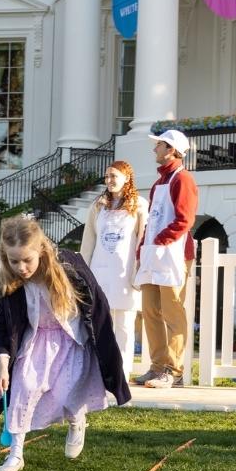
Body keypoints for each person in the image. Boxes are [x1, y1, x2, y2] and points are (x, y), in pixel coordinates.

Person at [0, 217, 131, 471]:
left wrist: (100, 345)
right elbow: (3, 327)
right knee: (23, 390)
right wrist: (4, 365)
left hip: (70, 341)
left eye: (27, 260)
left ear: (40, 250)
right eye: (14, 261)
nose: (21, 267)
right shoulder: (12, 283)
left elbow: (98, 306)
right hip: (35, 342)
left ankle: (76, 420)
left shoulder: (69, 267)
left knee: (66, 395)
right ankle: (15, 454)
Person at [134, 129, 198, 389]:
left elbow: (185, 220)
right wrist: (143, 247)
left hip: (174, 254)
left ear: (171, 149)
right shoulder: (159, 181)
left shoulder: (183, 179)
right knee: (150, 311)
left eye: (159, 145)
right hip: (154, 252)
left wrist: (159, 241)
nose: (154, 149)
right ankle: (157, 366)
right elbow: (152, 220)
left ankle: (174, 371)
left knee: (173, 312)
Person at [80, 161, 147, 379]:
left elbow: (142, 240)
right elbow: (88, 241)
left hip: (125, 272)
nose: (109, 180)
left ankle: (122, 372)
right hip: (100, 271)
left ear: (127, 178)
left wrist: (139, 272)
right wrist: (83, 271)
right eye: (107, 176)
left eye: (114, 176)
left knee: (125, 325)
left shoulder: (139, 205)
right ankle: (101, 371)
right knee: (100, 323)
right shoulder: (98, 205)